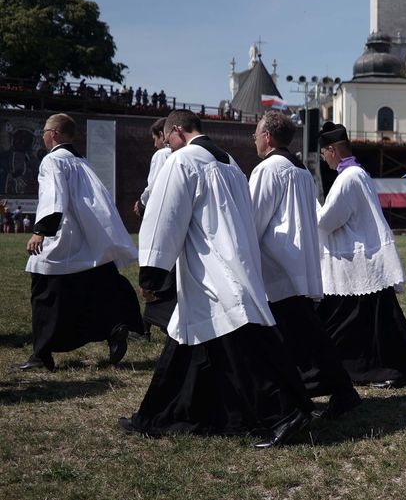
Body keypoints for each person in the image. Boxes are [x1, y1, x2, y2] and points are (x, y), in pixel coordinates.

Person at [121, 110, 312, 447]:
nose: (167, 146)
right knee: (186, 343)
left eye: (167, 139)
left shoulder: (183, 163)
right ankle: (158, 415)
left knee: (240, 345)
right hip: (231, 262)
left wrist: (152, 272)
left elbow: (165, 215)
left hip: (211, 268)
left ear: (177, 132)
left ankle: (283, 411)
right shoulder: (231, 164)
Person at [249, 111, 361, 417]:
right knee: (306, 335)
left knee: (292, 337)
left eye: (256, 135)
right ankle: (335, 391)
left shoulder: (268, 170)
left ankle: (302, 398)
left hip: (276, 264)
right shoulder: (300, 170)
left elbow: (253, 219)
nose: (255, 140)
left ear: (268, 137)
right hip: (299, 263)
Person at [20, 113, 143, 371]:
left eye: (44, 130)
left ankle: (41, 355)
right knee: (92, 287)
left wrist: (41, 230)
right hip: (87, 238)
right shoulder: (82, 162)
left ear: (53, 133)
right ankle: (114, 327)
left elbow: (54, 196)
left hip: (60, 237)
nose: (42, 135)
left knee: (44, 293)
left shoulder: (52, 161)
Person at [314, 123, 406, 388]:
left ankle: (390, 369)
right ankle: (379, 368)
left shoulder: (348, 178)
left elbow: (328, 221)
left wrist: (310, 205)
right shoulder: (357, 173)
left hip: (356, 260)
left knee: (368, 323)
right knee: (374, 321)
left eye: (323, 153)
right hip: (362, 258)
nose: (322, 158)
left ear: (332, 150)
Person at [136, 117, 177, 333]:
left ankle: (150, 323)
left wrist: (141, 204)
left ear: (163, 135)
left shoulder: (163, 155)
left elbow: (154, 187)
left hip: (162, 220)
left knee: (160, 273)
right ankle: (148, 322)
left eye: (155, 138)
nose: (154, 144)